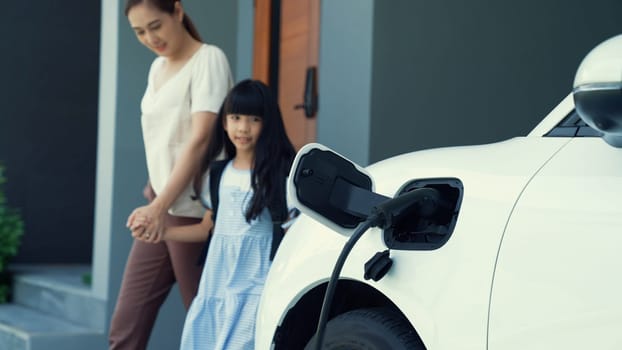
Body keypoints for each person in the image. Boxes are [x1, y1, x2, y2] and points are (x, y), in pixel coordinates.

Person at [132, 79, 297, 349]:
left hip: (255, 284)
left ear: (267, 124)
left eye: (254, 119)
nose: (243, 127)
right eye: (235, 118)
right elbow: (208, 228)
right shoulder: (218, 174)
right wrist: (163, 232)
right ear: (224, 122)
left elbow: (291, 232)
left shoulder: (278, 175)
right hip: (218, 282)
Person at [109, 0, 233, 349]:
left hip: (193, 214)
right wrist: (156, 187)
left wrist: (161, 205)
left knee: (205, 321)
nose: (150, 37)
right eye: (139, 32)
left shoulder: (208, 59)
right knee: (126, 324)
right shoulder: (157, 69)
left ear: (177, 11)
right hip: (161, 208)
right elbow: (164, 136)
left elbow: (200, 139)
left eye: (155, 25)